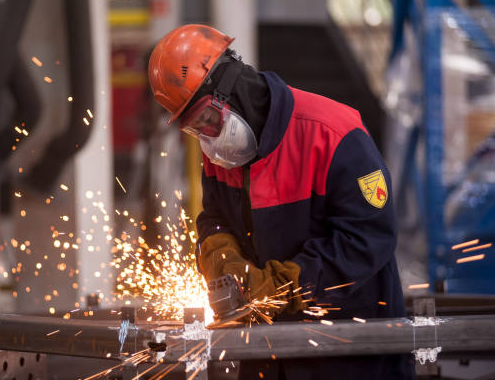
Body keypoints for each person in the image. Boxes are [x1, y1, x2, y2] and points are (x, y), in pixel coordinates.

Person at [148, 24, 415, 379]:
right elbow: (213, 218)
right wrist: (221, 258)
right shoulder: (220, 156)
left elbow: (368, 238)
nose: (208, 139)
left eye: (208, 120)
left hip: (350, 354)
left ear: (232, 88)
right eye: (196, 129)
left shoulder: (333, 133)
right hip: (266, 356)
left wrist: (284, 286)